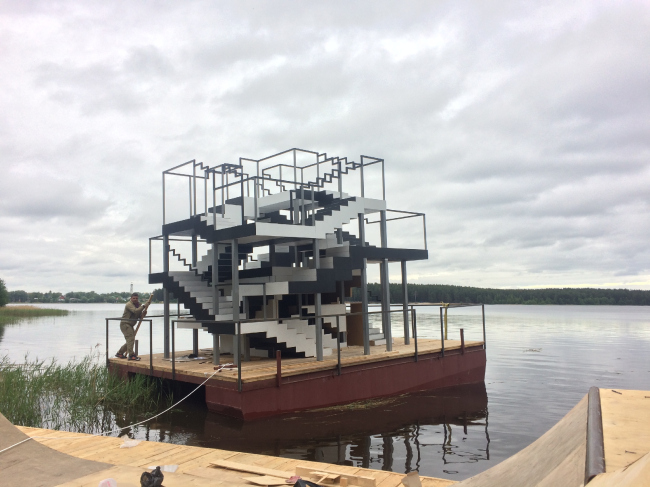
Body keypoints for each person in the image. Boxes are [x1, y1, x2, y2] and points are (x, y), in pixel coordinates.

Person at [115, 292, 152, 360]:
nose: (135, 299)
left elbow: (139, 315)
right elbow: (135, 311)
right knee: (130, 339)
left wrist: (144, 313)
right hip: (125, 324)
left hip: (130, 325)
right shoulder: (129, 304)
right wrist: (144, 306)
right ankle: (131, 355)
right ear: (131, 298)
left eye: (136, 298)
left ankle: (120, 353)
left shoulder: (138, 305)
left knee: (130, 340)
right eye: (134, 298)